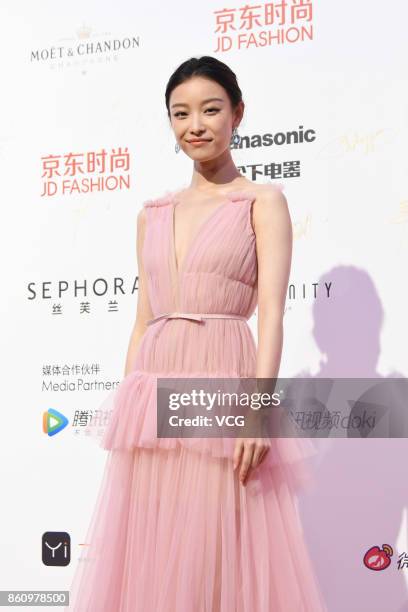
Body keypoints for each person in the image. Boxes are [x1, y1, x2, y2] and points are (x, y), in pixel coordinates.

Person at [66, 55, 327, 611]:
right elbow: (143, 317)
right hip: (153, 393)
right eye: (180, 113)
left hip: (220, 381)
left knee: (217, 543)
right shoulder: (152, 213)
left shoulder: (262, 202)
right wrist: (127, 411)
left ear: (237, 113)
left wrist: (258, 412)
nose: (196, 125)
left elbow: (273, 315)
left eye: (211, 109)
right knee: (153, 546)